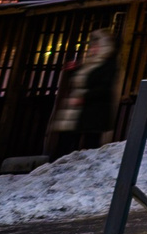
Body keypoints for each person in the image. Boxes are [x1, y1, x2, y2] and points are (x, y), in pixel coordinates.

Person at [45, 27, 118, 158]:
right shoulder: (90, 63)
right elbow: (85, 81)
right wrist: (76, 69)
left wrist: (84, 97)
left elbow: (104, 88)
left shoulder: (108, 65)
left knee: (89, 145)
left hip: (93, 112)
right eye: (92, 45)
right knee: (67, 141)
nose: (92, 48)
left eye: (96, 45)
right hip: (79, 111)